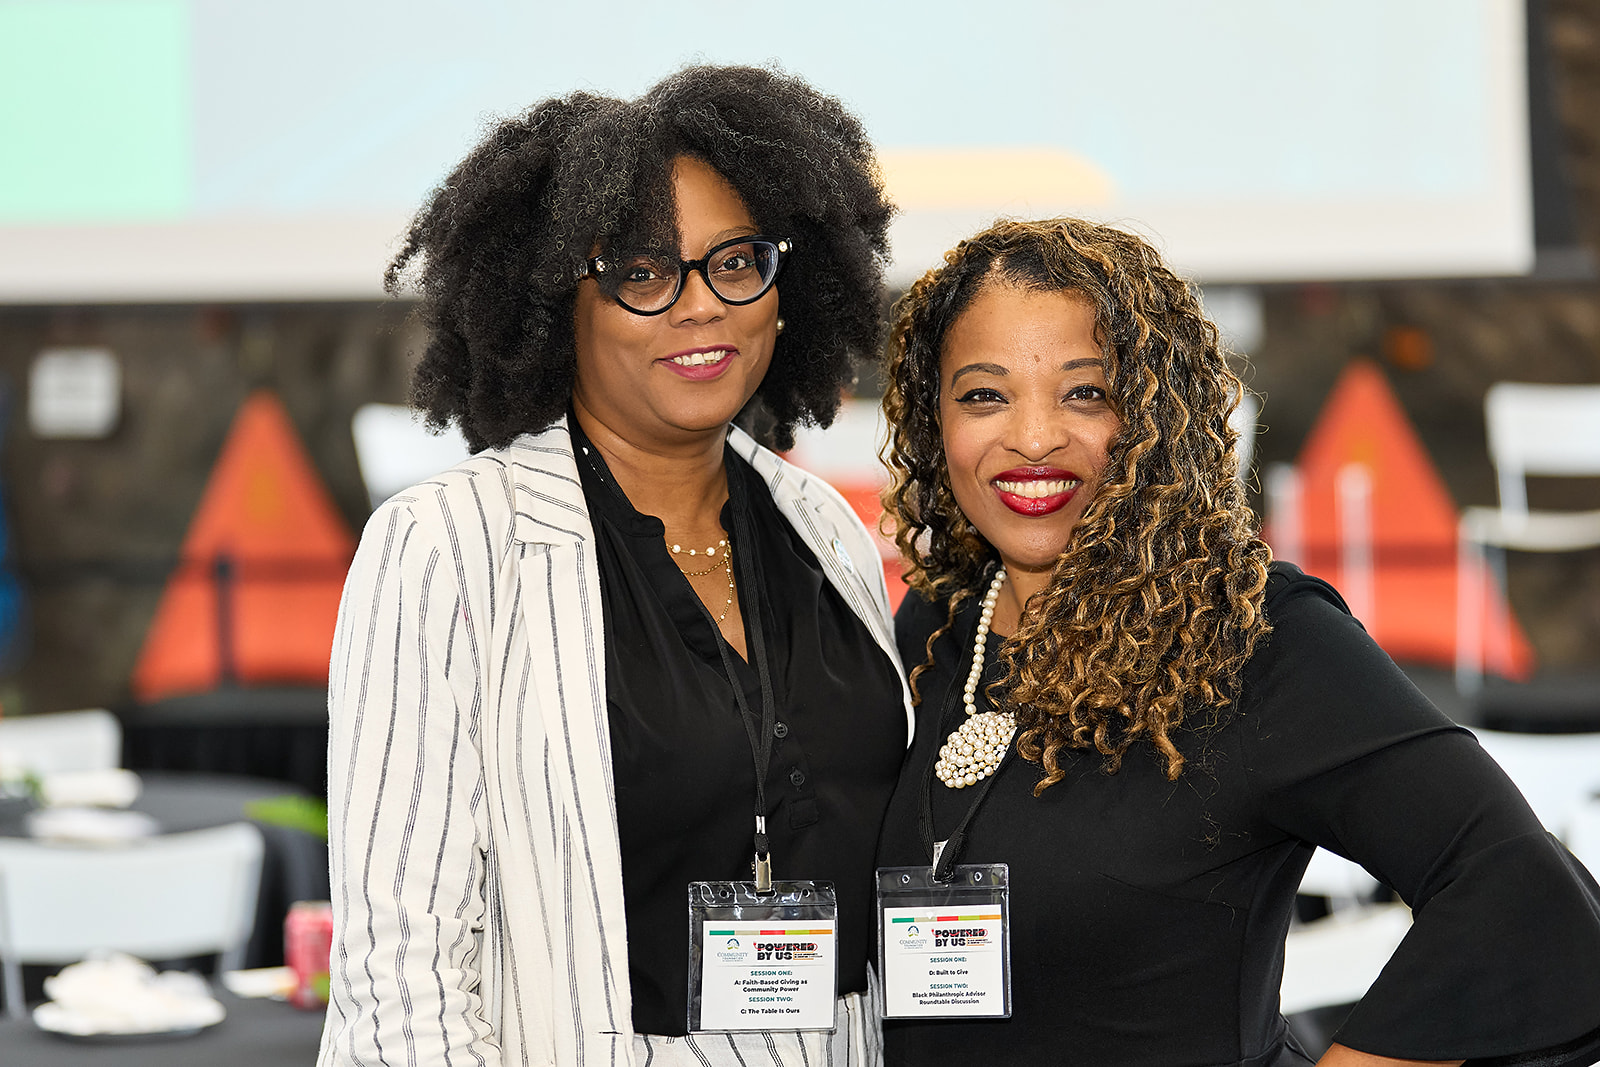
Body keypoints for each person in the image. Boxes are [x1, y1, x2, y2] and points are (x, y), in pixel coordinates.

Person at [874, 217, 1600, 1067]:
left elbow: (1526, 896)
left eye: (1086, 392)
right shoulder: (935, 633)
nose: (1033, 437)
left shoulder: (1251, 638)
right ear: (934, 423)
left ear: (1154, 418)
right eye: (984, 394)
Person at [320, 66, 911, 1067]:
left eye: (737, 261)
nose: (700, 307)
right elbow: (402, 982)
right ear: (556, 301)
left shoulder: (822, 526)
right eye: (641, 273)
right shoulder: (450, 545)